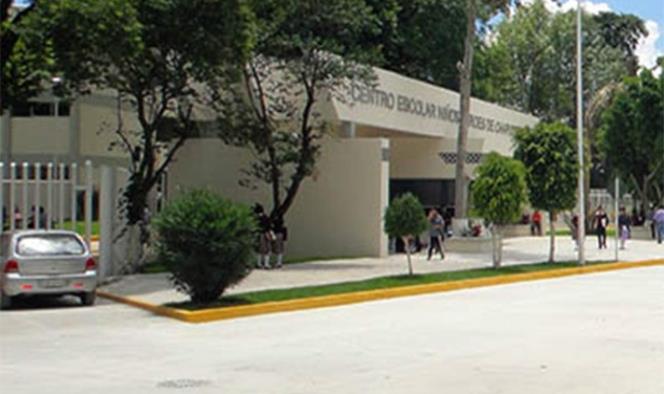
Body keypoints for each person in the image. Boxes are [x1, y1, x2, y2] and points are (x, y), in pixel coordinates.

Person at [253, 204, 273, 269]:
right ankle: (266, 264)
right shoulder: (266, 218)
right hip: (265, 234)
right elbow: (269, 227)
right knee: (267, 250)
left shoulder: (255, 218)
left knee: (259, 250)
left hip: (258, 234)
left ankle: (259, 263)